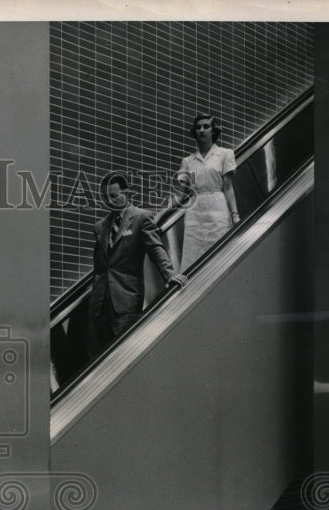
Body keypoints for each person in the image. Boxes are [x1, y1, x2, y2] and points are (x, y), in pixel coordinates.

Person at [87, 174, 185, 359]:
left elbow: (156, 248)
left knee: (127, 353)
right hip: (100, 304)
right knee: (103, 357)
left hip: (126, 298)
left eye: (114, 195)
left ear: (127, 193)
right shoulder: (100, 227)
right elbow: (99, 266)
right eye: (105, 197)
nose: (109, 201)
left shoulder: (141, 218)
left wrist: (170, 274)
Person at [175, 113, 240, 269]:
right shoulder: (188, 161)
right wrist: (159, 214)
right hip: (194, 214)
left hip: (218, 210)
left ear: (214, 130)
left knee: (218, 257)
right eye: (198, 127)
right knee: (193, 260)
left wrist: (235, 215)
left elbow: (228, 187)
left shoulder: (225, 154)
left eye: (206, 126)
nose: (202, 130)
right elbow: (180, 195)